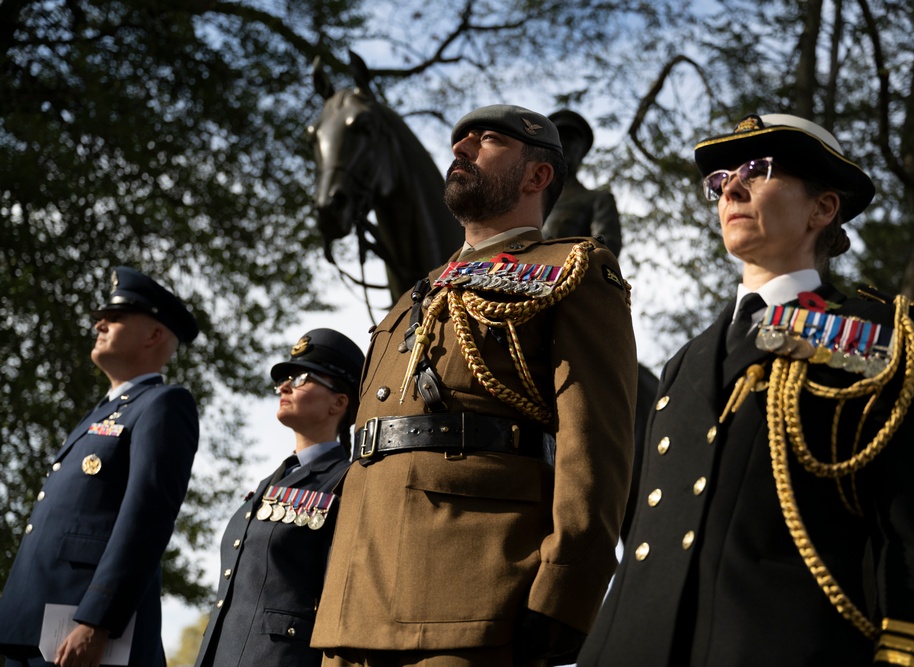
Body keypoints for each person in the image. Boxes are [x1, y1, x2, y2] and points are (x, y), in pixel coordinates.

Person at [578, 114, 914, 666]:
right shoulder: (685, 362)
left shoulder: (876, 336)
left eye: (758, 170)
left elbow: (913, 525)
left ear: (822, 208)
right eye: (721, 179)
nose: (731, 187)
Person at [310, 104, 638, 667]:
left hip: (471, 601)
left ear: (538, 176)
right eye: (458, 140)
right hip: (352, 608)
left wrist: (564, 593)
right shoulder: (410, 299)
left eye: (486, 141)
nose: (460, 150)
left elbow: (595, 449)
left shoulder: (573, 269)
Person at [0, 266, 200, 667]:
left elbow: (147, 516)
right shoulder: (102, 414)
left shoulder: (163, 404)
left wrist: (98, 619)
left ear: (154, 335)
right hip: (29, 626)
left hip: (80, 633)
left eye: (117, 317)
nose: (100, 323)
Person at [194, 328, 364, 667]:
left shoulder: (347, 482)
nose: (284, 387)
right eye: (283, 379)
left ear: (339, 401)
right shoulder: (267, 485)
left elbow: (343, 601)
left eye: (301, 378)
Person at [541, 109, 622, 256]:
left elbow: (605, 254)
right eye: (559, 140)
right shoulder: (525, 200)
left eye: (572, 141)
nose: (565, 146)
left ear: (581, 152)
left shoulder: (597, 200)